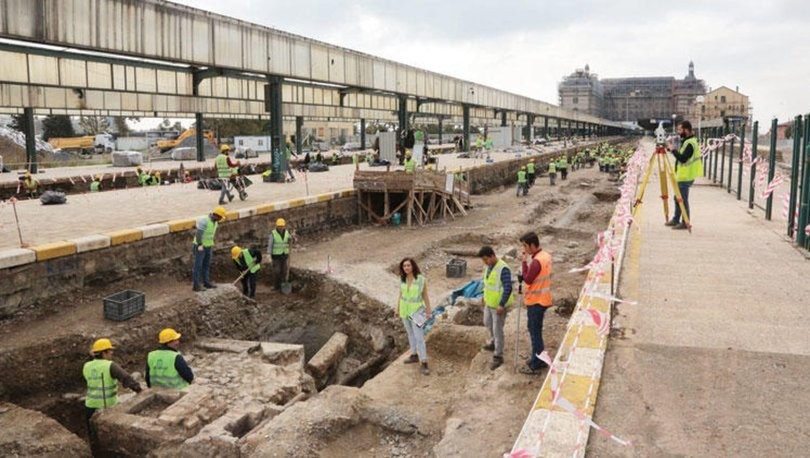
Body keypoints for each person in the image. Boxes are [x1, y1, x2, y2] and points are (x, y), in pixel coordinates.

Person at [83, 338, 142, 434]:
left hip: (90, 406)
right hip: (106, 407)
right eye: (110, 351)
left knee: (93, 433)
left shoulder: (86, 365)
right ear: (104, 353)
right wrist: (139, 390)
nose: (112, 353)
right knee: (109, 434)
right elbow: (126, 378)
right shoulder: (109, 365)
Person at [519, 231, 553, 375]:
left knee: (535, 332)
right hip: (542, 298)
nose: (524, 249)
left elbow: (528, 279)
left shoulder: (536, 261)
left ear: (532, 245)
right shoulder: (545, 256)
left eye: (525, 246)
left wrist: (523, 263)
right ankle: (538, 357)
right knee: (534, 329)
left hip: (536, 301)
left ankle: (537, 362)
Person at [478, 246, 514, 370]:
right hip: (489, 303)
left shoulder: (503, 269)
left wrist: (502, 304)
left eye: (486, 259)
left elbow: (508, 288)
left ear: (492, 256)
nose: (485, 262)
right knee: (487, 322)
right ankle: (493, 343)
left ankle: (498, 355)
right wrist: (484, 296)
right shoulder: (489, 267)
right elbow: (488, 284)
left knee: (497, 329)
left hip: (498, 306)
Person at [396, 258, 432, 375]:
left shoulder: (421, 280)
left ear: (413, 266)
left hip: (416, 311)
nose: (406, 268)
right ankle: (414, 355)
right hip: (405, 310)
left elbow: (425, 296)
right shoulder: (403, 279)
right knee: (410, 334)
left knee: (419, 336)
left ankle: (424, 362)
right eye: (404, 266)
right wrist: (397, 308)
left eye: (408, 265)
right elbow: (400, 295)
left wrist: (428, 310)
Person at [666, 120, 703, 230]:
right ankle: (676, 219)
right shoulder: (687, 141)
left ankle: (685, 222)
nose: (678, 132)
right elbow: (681, 156)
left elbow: (683, 158)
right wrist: (672, 150)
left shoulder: (690, 143)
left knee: (682, 199)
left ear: (686, 130)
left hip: (686, 176)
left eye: (680, 130)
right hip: (683, 175)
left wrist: (673, 150)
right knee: (677, 198)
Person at [192, 206, 226, 292]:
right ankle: (196, 286)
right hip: (200, 247)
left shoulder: (215, 222)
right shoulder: (204, 221)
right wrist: (200, 245)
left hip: (208, 246)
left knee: (206, 265)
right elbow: (199, 234)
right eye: (220, 218)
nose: (220, 220)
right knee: (198, 266)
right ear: (216, 215)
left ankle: (206, 282)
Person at [267, 218, 291, 291]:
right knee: (277, 271)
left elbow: (290, 239)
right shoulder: (273, 234)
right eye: (279, 226)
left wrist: (293, 238)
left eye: (282, 226)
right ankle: (276, 286)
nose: (281, 227)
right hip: (276, 256)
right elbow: (270, 245)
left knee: (284, 271)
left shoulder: (287, 233)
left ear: (284, 226)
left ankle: (282, 286)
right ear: (277, 226)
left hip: (284, 255)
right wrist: (268, 254)